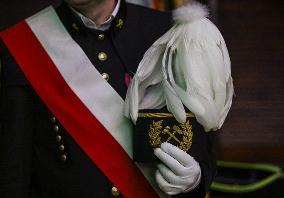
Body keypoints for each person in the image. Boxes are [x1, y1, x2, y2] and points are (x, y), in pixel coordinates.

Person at [0, 0, 219, 197]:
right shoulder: (23, 43)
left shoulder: (169, 31)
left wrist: (194, 181)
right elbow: (14, 169)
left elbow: (202, 141)